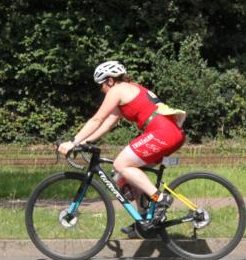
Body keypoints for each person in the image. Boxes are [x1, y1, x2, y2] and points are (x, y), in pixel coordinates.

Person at [57, 60, 186, 236]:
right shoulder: (129, 90)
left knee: (121, 164)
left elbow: (96, 119)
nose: (101, 90)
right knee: (125, 176)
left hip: (163, 132)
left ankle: (161, 199)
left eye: (101, 85)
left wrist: (73, 142)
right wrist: (84, 143)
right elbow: (106, 125)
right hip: (168, 132)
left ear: (109, 80)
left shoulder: (117, 90)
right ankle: (144, 223)